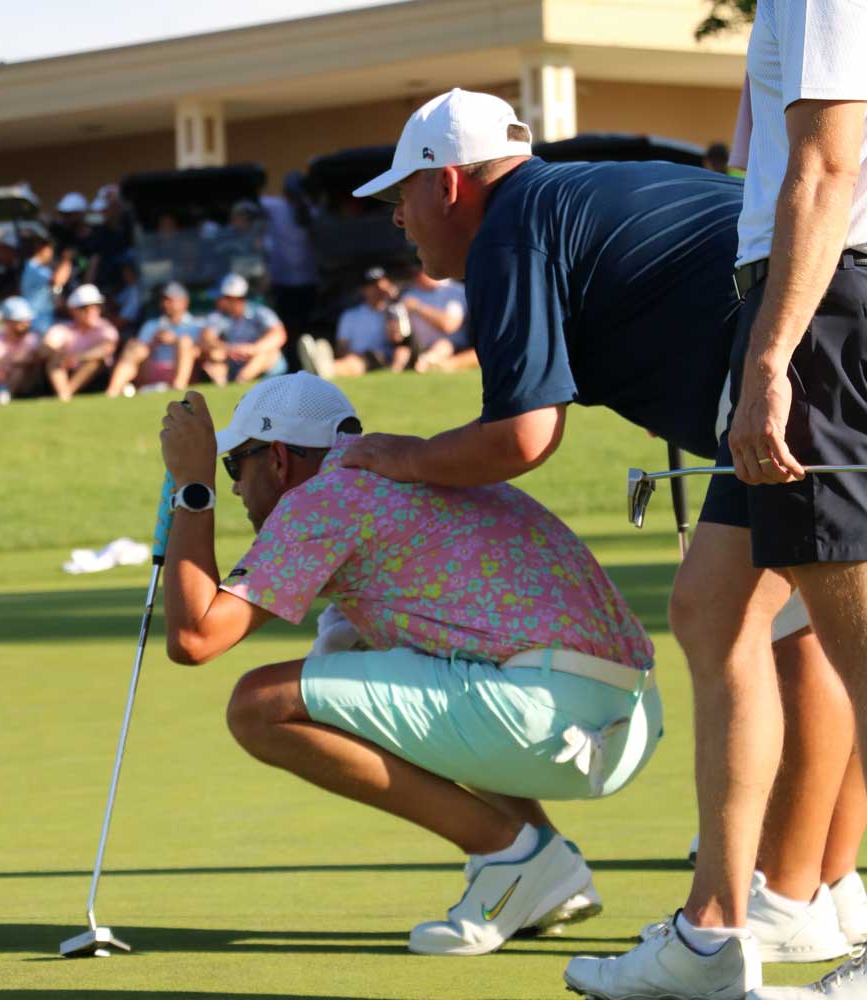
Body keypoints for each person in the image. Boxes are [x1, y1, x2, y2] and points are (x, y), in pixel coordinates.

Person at [340, 87, 867, 987]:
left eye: (405, 192)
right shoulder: (572, 193)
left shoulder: (512, 232)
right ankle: (768, 909)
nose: (398, 215)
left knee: (827, 637)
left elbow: (522, 438)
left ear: (453, 184)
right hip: (795, 372)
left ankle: (761, 912)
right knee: (724, 615)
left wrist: (401, 457)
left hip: (813, 364)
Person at [158, 373, 662, 955]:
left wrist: (193, 487)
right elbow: (342, 657)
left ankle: (515, 857)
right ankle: (545, 868)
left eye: (234, 469)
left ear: (276, 458)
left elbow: (196, 637)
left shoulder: (326, 496)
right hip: (622, 715)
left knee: (259, 705)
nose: (237, 488)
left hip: (552, 717)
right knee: (358, 661)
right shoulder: (397, 471)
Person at [298, 267, 403, 378]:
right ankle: (322, 367)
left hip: (383, 358)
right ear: (364, 290)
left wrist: (392, 303)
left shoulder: (395, 311)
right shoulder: (350, 315)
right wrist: (349, 355)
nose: (377, 289)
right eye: (373, 286)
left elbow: (398, 339)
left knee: (362, 360)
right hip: (356, 358)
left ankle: (321, 368)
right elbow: (342, 346)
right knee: (355, 361)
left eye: (381, 285)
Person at [261, 171, 319, 369]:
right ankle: (294, 365)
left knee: (303, 328)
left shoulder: (308, 211)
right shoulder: (280, 207)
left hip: (303, 282)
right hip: (287, 282)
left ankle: (306, 363)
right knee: (290, 328)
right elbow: (254, 204)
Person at [106, 282, 200, 396]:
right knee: (134, 346)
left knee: (184, 342)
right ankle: (112, 392)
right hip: (150, 371)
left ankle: (178, 388)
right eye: (163, 300)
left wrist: (175, 342)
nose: (166, 304)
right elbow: (139, 352)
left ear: (184, 302)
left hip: (182, 371)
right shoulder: (151, 325)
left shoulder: (196, 326)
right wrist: (154, 343)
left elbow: (199, 352)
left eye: (170, 300)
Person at [196, 273, 287, 386]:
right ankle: (223, 385)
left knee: (268, 352)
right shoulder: (218, 316)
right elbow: (206, 338)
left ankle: (242, 379)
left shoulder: (260, 312)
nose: (217, 301)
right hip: (234, 362)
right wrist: (229, 348)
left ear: (234, 299)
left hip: (263, 365)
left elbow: (279, 335)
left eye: (222, 297)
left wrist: (252, 349)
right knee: (215, 353)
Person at [42, 284, 118, 401]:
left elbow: (107, 348)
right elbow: (46, 347)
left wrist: (77, 358)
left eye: (95, 307)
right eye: (85, 308)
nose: (91, 311)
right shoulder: (63, 328)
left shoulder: (105, 327)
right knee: (54, 363)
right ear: (73, 310)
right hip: (67, 372)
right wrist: (59, 355)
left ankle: (66, 394)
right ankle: (64, 396)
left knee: (93, 362)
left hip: (97, 379)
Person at [392, 264, 467, 373]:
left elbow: (449, 325)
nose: (416, 276)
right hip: (417, 347)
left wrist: (418, 308)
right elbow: (397, 333)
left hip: (453, 348)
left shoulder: (455, 291)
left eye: (419, 272)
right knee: (401, 352)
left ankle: (426, 363)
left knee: (443, 346)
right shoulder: (408, 294)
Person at [21, 235, 72, 335]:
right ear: (42, 249)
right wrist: (67, 259)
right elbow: (58, 280)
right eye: (50, 249)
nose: (52, 253)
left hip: (41, 318)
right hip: (37, 320)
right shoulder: (33, 267)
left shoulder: (34, 266)